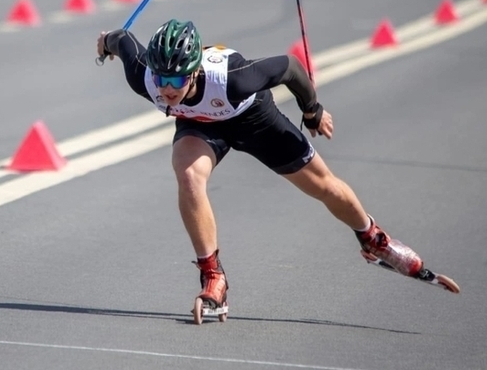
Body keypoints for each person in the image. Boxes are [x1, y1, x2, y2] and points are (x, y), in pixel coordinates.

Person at [96, 19, 438, 316]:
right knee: (188, 176)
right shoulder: (144, 76)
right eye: (162, 79)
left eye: (177, 80)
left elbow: (289, 66)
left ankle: (372, 238)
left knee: (325, 187)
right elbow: (122, 38)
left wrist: (312, 110)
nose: (167, 88)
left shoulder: (232, 79)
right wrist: (106, 41)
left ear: (196, 71)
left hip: (253, 119)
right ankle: (213, 276)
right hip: (201, 126)